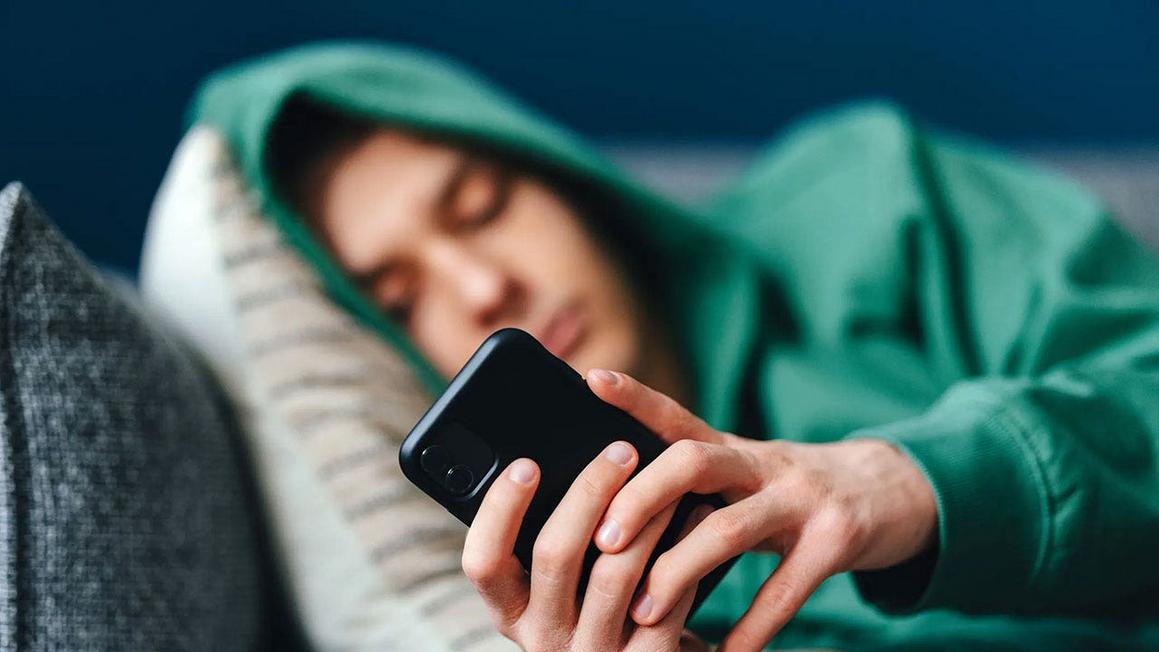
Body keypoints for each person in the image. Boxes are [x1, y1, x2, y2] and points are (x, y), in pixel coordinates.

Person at [192, 43, 1159, 650]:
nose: (485, 289)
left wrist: (899, 481)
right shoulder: (560, 602)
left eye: (482, 205)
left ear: (558, 172)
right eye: (400, 302)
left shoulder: (876, 197)